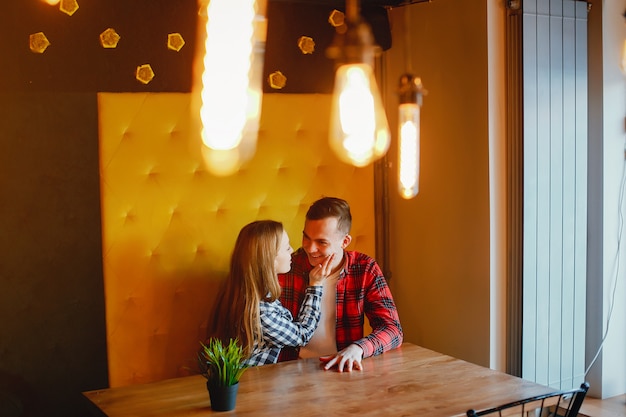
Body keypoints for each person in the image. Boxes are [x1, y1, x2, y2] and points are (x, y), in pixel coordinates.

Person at [278, 197, 403, 372]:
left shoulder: (364, 268)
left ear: (344, 242)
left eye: (321, 242)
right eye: (306, 237)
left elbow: (392, 329)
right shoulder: (287, 267)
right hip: (289, 369)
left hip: (341, 368)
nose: (310, 248)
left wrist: (358, 348)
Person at [208, 220, 333, 366]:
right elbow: (302, 335)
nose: (292, 251)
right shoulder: (261, 311)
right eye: (287, 248)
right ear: (270, 259)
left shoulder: (242, 289)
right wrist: (315, 285)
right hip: (252, 384)